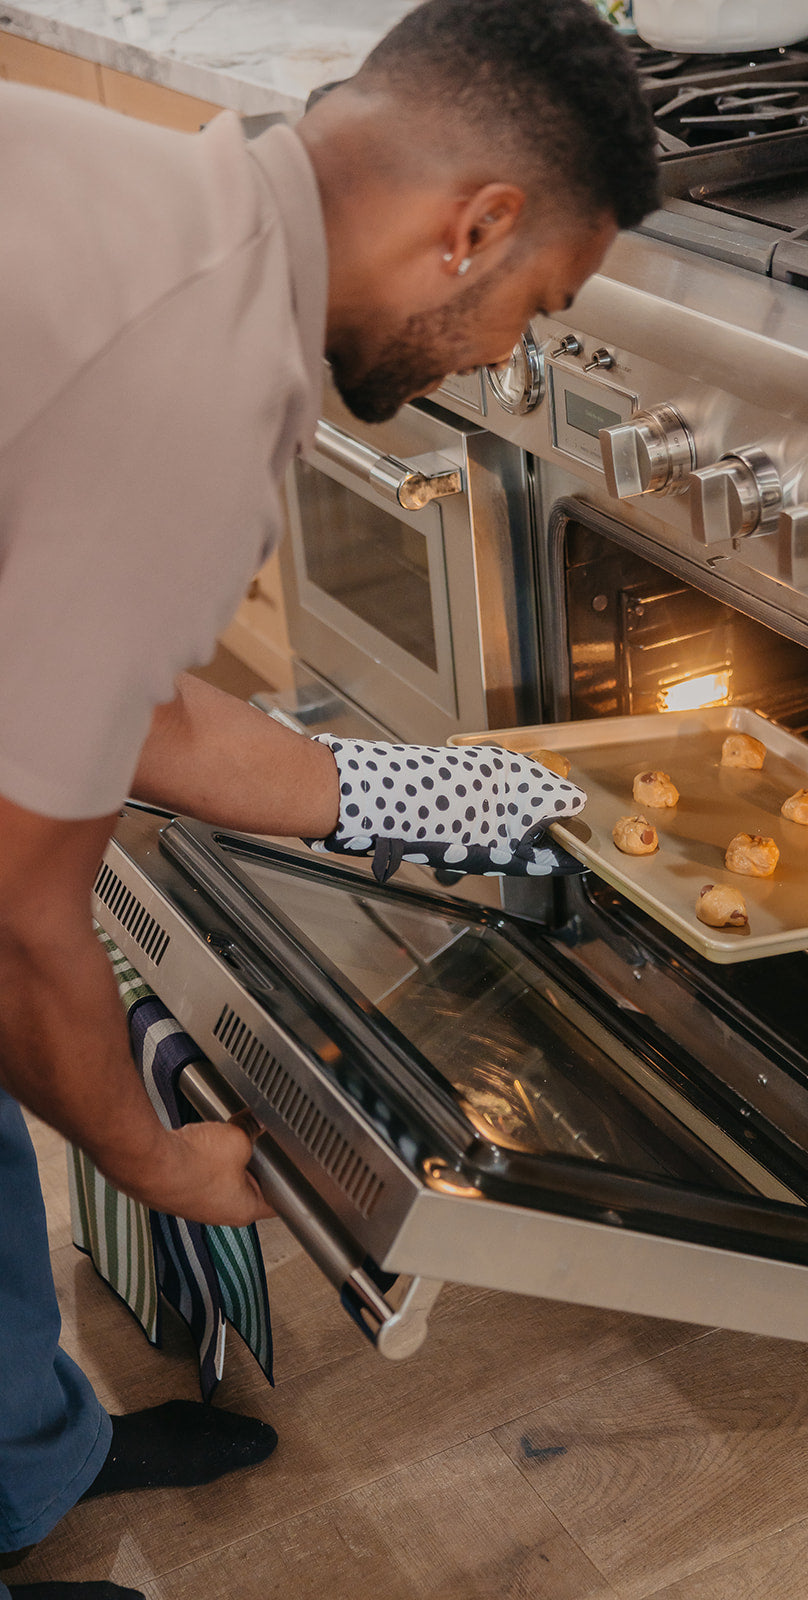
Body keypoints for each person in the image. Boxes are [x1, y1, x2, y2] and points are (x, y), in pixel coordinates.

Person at [0, 1, 661, 1595]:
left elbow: (108, 699)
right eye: (536, 307)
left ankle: (23, 1466)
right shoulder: (190, 389)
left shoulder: (167, 202)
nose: (504, 356)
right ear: (474, 228)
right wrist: (150, 1156)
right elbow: (16, 915)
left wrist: (405, 788)